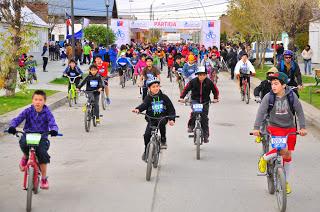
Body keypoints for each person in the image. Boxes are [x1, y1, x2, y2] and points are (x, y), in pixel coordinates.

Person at [252, 72, 307, 194]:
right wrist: (257, 128)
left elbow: (300, 112)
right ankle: (265, 158)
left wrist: (302, 127)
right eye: (272, 84)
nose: (273, 86)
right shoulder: (268, 97)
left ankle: (285, 181)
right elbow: (261, 112)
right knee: (282, 149)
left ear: (284, 85)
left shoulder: (292, 96)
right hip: (275, 127)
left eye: (276, 84)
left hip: (290, 128)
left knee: (288, 155)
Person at [7, 90, 59, 189]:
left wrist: (53, 130)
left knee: (42, 154)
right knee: (23, 142)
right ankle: (26, 156)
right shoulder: (28, 111)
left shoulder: (47, 113)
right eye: (35, 99)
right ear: (32, 101)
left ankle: (43, 178)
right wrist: (12, 126)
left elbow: (53, 123)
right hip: (28, 135)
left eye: (40, 100)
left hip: (42, 136)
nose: (38, 102)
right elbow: (17, 119)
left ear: (44, 101)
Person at [132, 77, 176, 160]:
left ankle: (163, 139)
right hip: (151, 119)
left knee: (162, 123)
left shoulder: (164, 97)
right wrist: (138, 109)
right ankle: (146, 151)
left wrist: (171, 119)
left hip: (162, 117)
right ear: (149, 88)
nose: (156, 88)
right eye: (153, 87)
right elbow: (144, 105)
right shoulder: (148, 98)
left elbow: (171, 109)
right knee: (146, 135)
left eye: (157, 86)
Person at [179, 67, 219, 143]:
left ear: (206, 75)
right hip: (195, 100)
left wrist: (215, 98)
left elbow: (215, 90)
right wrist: (182, 97)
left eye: (203, 75)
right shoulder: (193, 82)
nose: (201, 76)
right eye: (200, 75)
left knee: (204, 118)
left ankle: (206, 135)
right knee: (195, 112)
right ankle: (191, 125)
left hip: (205, 102)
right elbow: (186, 89)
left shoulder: (209, 82)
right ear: (197, 75)